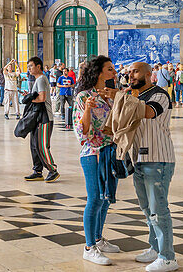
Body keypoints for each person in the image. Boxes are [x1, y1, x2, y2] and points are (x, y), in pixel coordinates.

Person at [126, 62, 179, 271]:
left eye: (135, 71)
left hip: (158, 158)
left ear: (149, 74)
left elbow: (149, 113)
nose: (131, 75)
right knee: (147, 209)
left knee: (159, 209)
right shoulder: (134, 96)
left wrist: (120, 98)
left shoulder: (159, 95)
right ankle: (156, 248)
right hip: (138, 159)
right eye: (129, 72)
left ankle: (168, 257)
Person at [74, 56, 120, 266]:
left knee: (105, 198)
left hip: (111, 151)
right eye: (110, 69)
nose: (114, 72)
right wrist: (88, 109)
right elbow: (82, 132)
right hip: (93, 153)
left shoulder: (111, 95)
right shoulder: (84, 96)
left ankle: (99, 239)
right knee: (94, 198)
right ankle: (89, 247)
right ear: (99, 72)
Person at [22, 57, 59, 182]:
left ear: (38, 66)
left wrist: (29, 99)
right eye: (28, 66)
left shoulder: (42, 79)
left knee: (42, 146)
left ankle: (52, 170)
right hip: (37, 118)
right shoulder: (38, 80)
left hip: (45, 118)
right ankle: (37, 171)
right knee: (34, 145)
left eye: (31, 66)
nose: (29, 69)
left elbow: (42, 98)